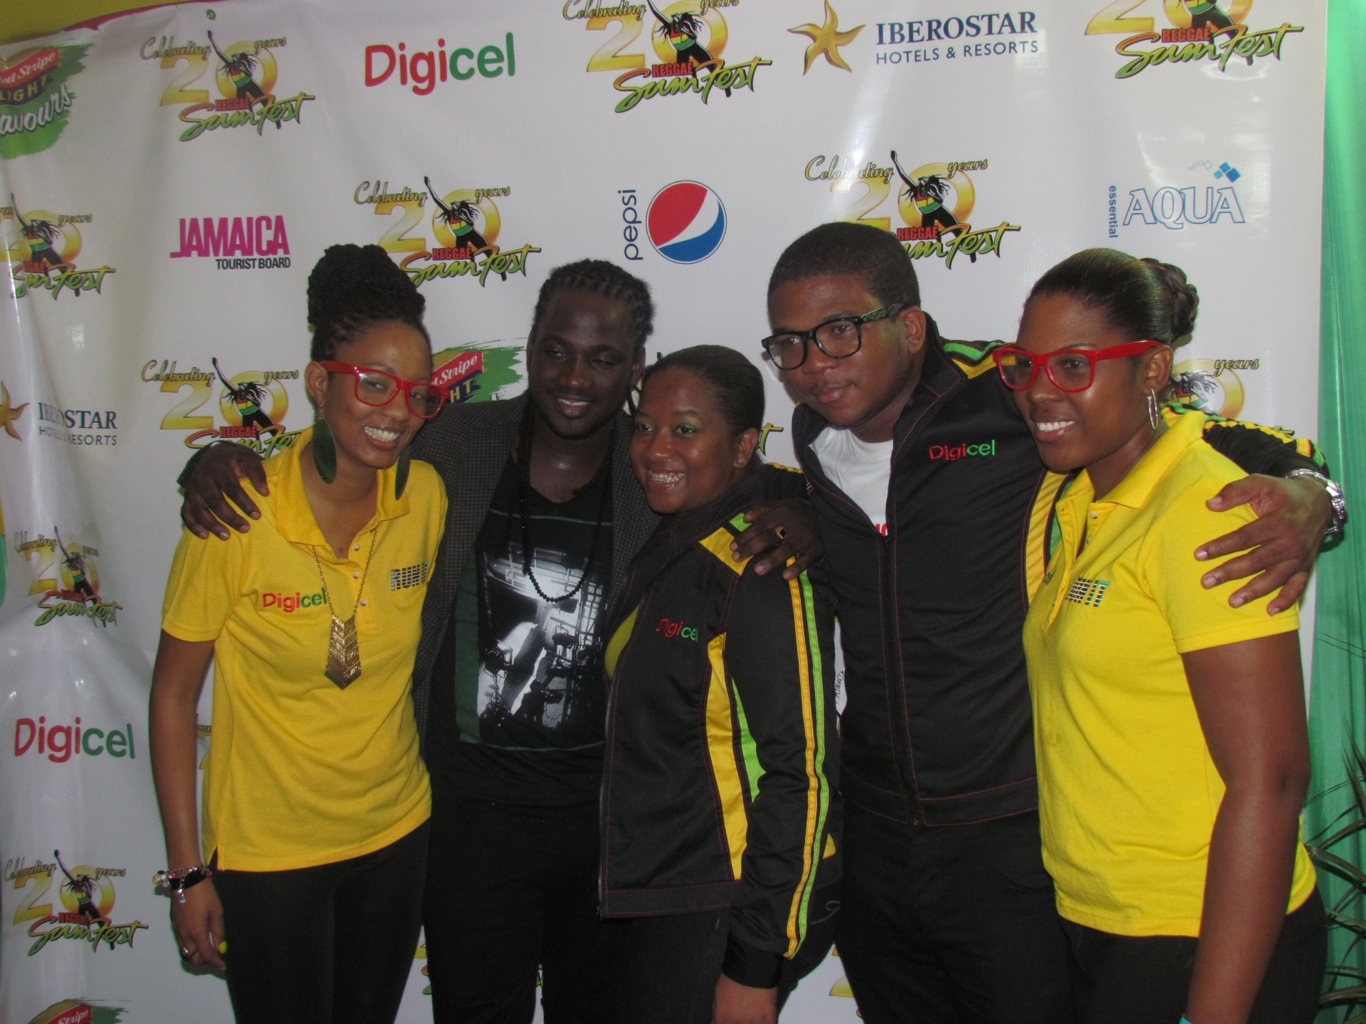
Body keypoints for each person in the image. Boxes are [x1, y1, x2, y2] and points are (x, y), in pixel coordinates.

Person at [177, 259, 819, 1024]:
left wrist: (804, 513)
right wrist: (214, 463)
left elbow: (751, 477)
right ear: (531, 345)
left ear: (635, 368)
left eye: (603, 358)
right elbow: (345, 445)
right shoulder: (456, 443)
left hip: (607, 829)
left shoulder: (654, 466)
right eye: (556, 350)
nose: (574, 376)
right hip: (466, 825)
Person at [761, 222, 1341, 1023]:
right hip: (884, 842)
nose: (814, 365)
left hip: (1017, 848)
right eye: (790, 346)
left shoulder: (1008, 395)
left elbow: (1217, 443)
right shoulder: (814, 435)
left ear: (911, 327)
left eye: (838, 333)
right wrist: (798, 514)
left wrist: (1314, 495)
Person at [1003, 249, 1325, 1024]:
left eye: (1075, 366)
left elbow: (1273, 781)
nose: (1041, 390)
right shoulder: (1076, 497)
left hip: (1204, 932)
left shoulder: (1205, 515)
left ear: (1152, 370)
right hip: (1104, 921)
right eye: (1026, 367)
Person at [149, 243, 448, 1023]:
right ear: (320, 383)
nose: (395, 412)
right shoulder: (236, 513)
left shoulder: (427, 497)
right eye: (373, 383)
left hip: (395, 833)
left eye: (417, 395)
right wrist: (187, 872)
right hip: (269, 853)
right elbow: (174, 698)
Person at [601, 345, 840, 1024]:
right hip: (672, 888)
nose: (655, 448)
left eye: (684, 429)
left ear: (741, 447)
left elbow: (802, 771)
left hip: (731, 899)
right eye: (644, 426)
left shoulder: (759, 564)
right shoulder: (679, 537)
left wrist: (755, 960)